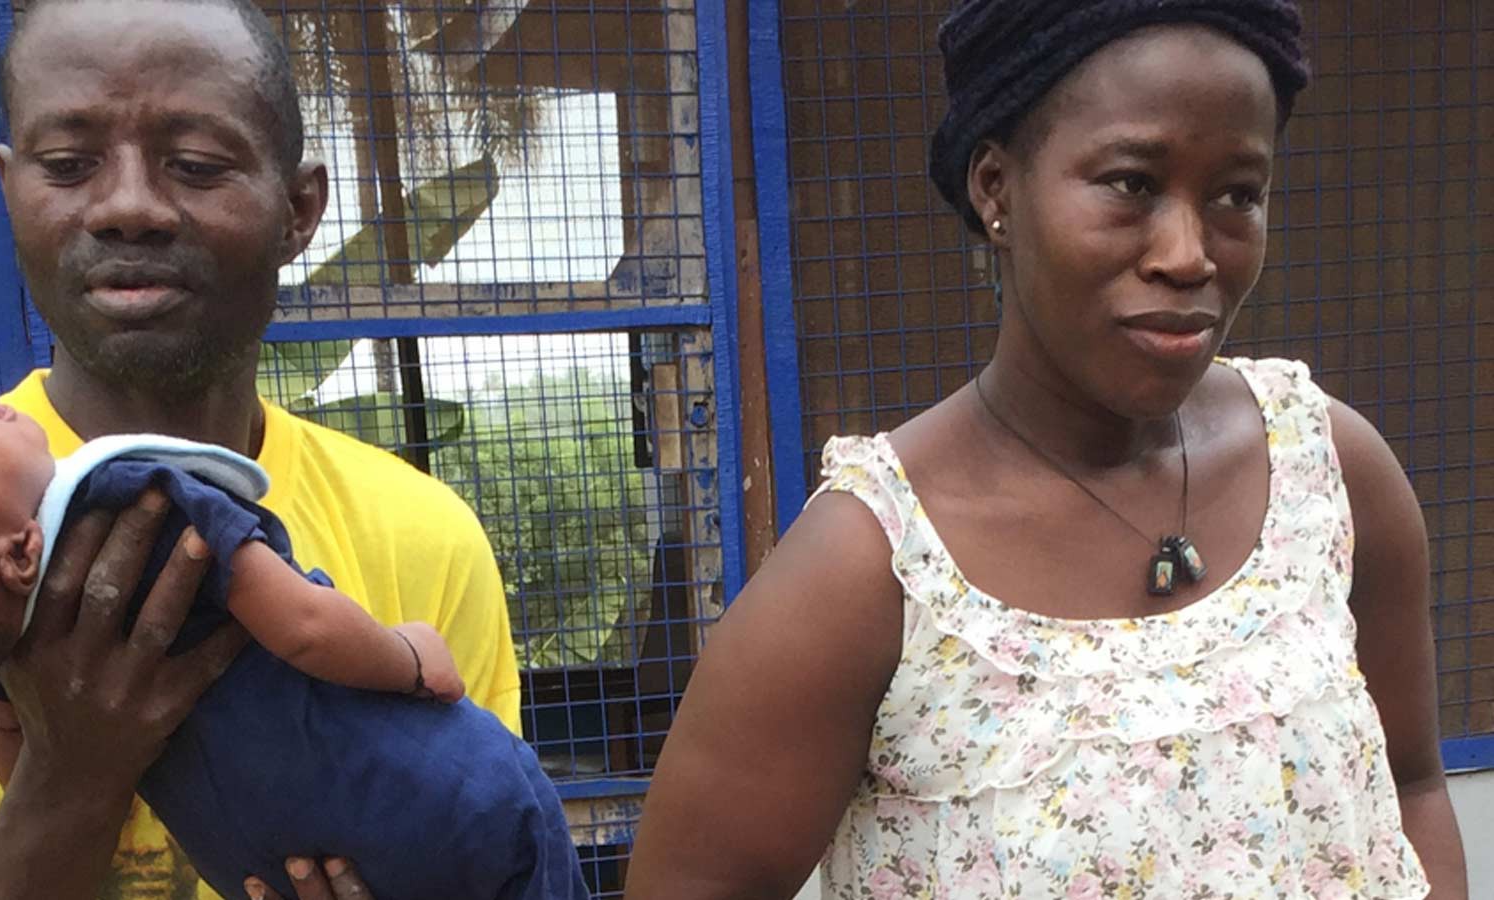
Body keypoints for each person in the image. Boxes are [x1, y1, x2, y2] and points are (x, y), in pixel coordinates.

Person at [624, 1, 1470, 898]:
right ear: (996, 188)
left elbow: (1411, 784)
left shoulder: (1327, 473)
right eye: (1131, 184)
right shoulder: (875, 568)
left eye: (1236, 195)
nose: (1189, 254)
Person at [0, 0, 526, 897]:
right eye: (68, 165)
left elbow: (487, 835)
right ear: (11, 192)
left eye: (196, 165)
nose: (128, 207)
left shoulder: (421, 534)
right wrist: (72, 771)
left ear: (298, 209)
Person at [0, 382, 587, 900]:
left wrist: (63, 767)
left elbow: (6, 735)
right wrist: (410, 658)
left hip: (278, 860)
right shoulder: (139, 491)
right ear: (20, 554)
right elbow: (304, 626)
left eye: (198, 173)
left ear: (298, 206)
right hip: (470, 817)